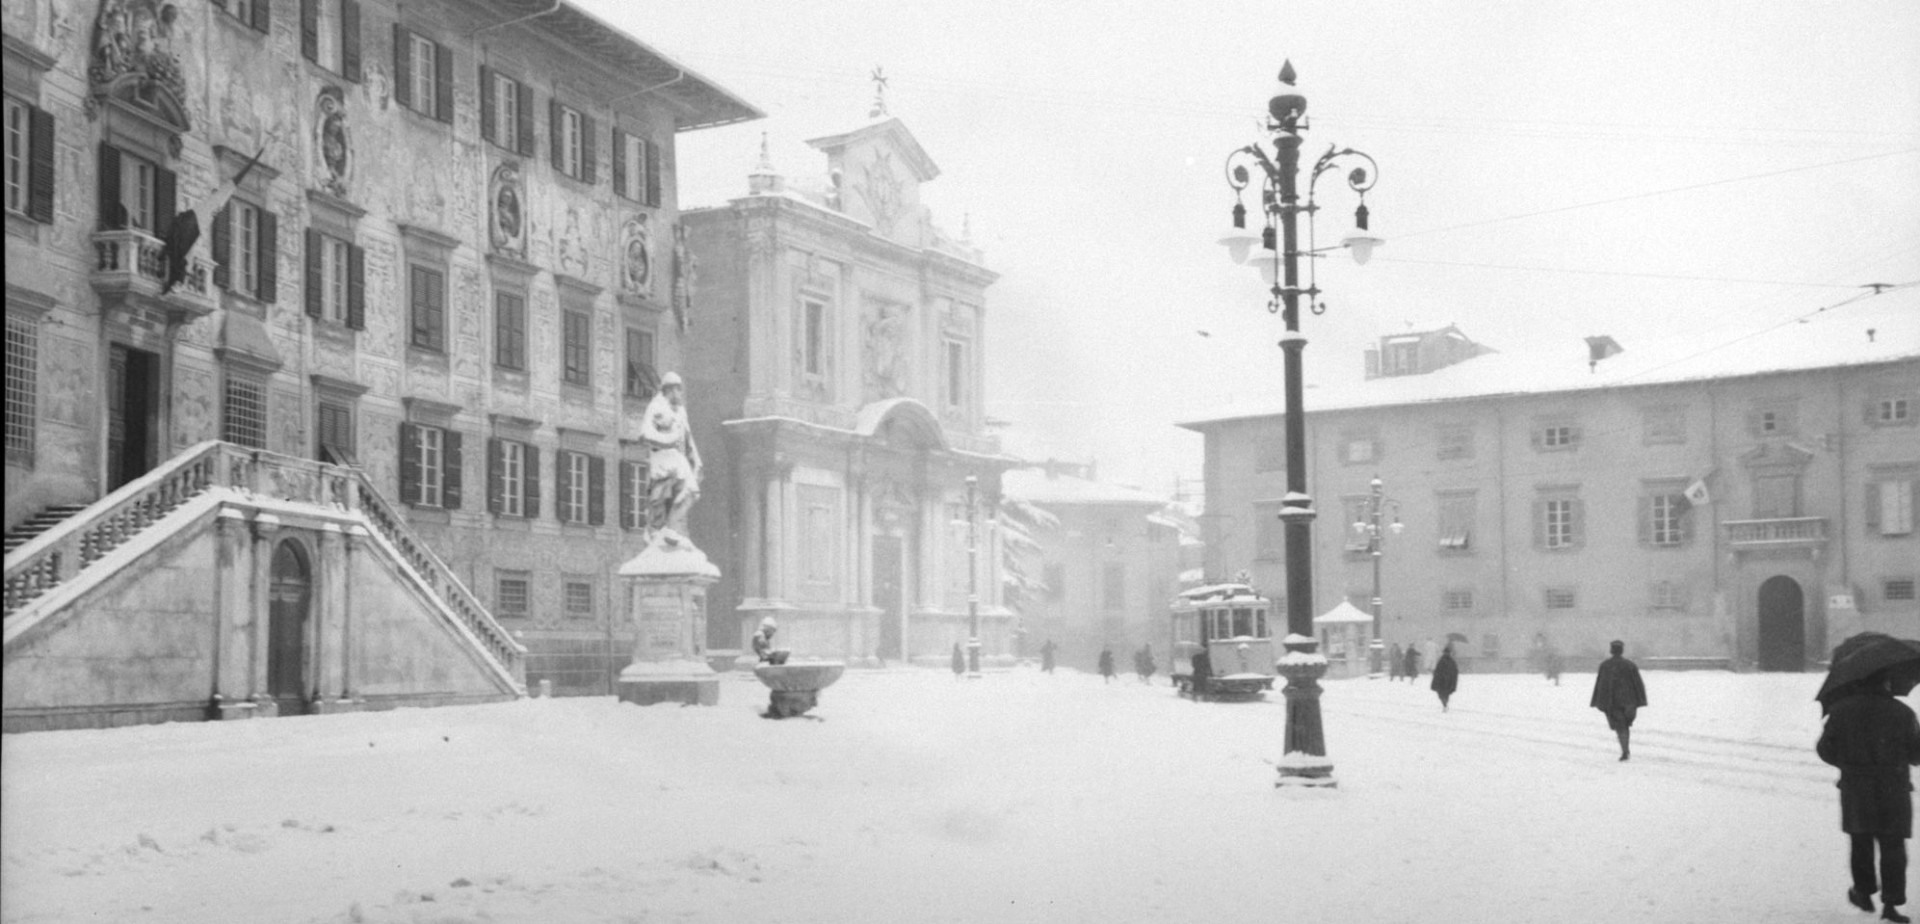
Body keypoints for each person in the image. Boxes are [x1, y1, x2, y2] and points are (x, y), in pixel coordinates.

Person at [1818, 673, 1920, 922]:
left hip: (1857, 790)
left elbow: (1825, 749)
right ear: (1886, 682)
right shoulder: (1903, 713)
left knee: (1861, 842)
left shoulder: (1841, 711)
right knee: (1893, 847)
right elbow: (1917, 754)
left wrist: (1848, 764)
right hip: (1893, 789)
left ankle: (1863, 892)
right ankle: (1891, 905)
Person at [639, 372, 702, 536]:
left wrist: (696, 459)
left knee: (691, 493)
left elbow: (688, 437)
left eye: (680, 390)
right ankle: (660, 531)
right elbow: (645, 434)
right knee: (661, 500)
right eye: (677, 390)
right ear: (669, 390)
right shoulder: (656, 406)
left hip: (678, 460)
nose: (680, 394)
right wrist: (668, 440)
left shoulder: (681, 411)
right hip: (662, 460)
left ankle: (672, 529)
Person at [1590, 639, 1648, 761]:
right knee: (1624, 726)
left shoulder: (1605, 666)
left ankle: (1625, 750)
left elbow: (1601, 685)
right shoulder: (1630, 665)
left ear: (1611, 650)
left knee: (1620, 726)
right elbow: (1638, 684)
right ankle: (1625, 750)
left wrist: (1600, 701)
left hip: (1613, 702)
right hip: (1628, 702)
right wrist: (1638, 700)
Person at [1431, 644, 1460, 711]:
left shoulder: (1444, 661)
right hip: (1446, 681)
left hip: (1443, 681)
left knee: (1442, 694)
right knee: (1444, 694)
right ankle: (1445, 704)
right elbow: (1454, 671)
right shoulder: (1450, 661)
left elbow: (1438, 671)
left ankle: (1445, 705)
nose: (1446, 654)